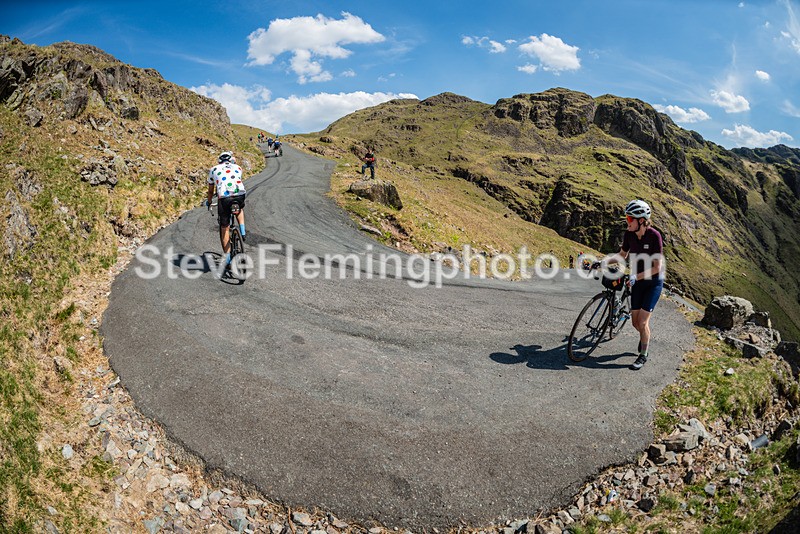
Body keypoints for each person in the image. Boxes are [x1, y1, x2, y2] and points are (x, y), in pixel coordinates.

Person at [602, 199, 664, 370]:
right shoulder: (629, 234)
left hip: (653, 283)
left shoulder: (654, 236)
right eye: (627, 218)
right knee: (635, 323)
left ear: (642, 220)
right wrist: (603, 262)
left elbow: (657, 267)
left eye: (630, 219)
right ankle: (644, 337)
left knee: (643, 323)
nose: (627, 222)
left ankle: (643, 355)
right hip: (637, 283)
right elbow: (622, 254)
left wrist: (637, 276)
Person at [206, 151, 247, 269]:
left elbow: (210, 190)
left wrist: (209, 201)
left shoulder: (213, 169)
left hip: (224, 198)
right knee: (239, 209)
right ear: (230, 160)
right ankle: (243, 231)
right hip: (240, 194)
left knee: (224, 227)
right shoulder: (238, 167)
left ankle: (228, 258)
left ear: (219, 161)